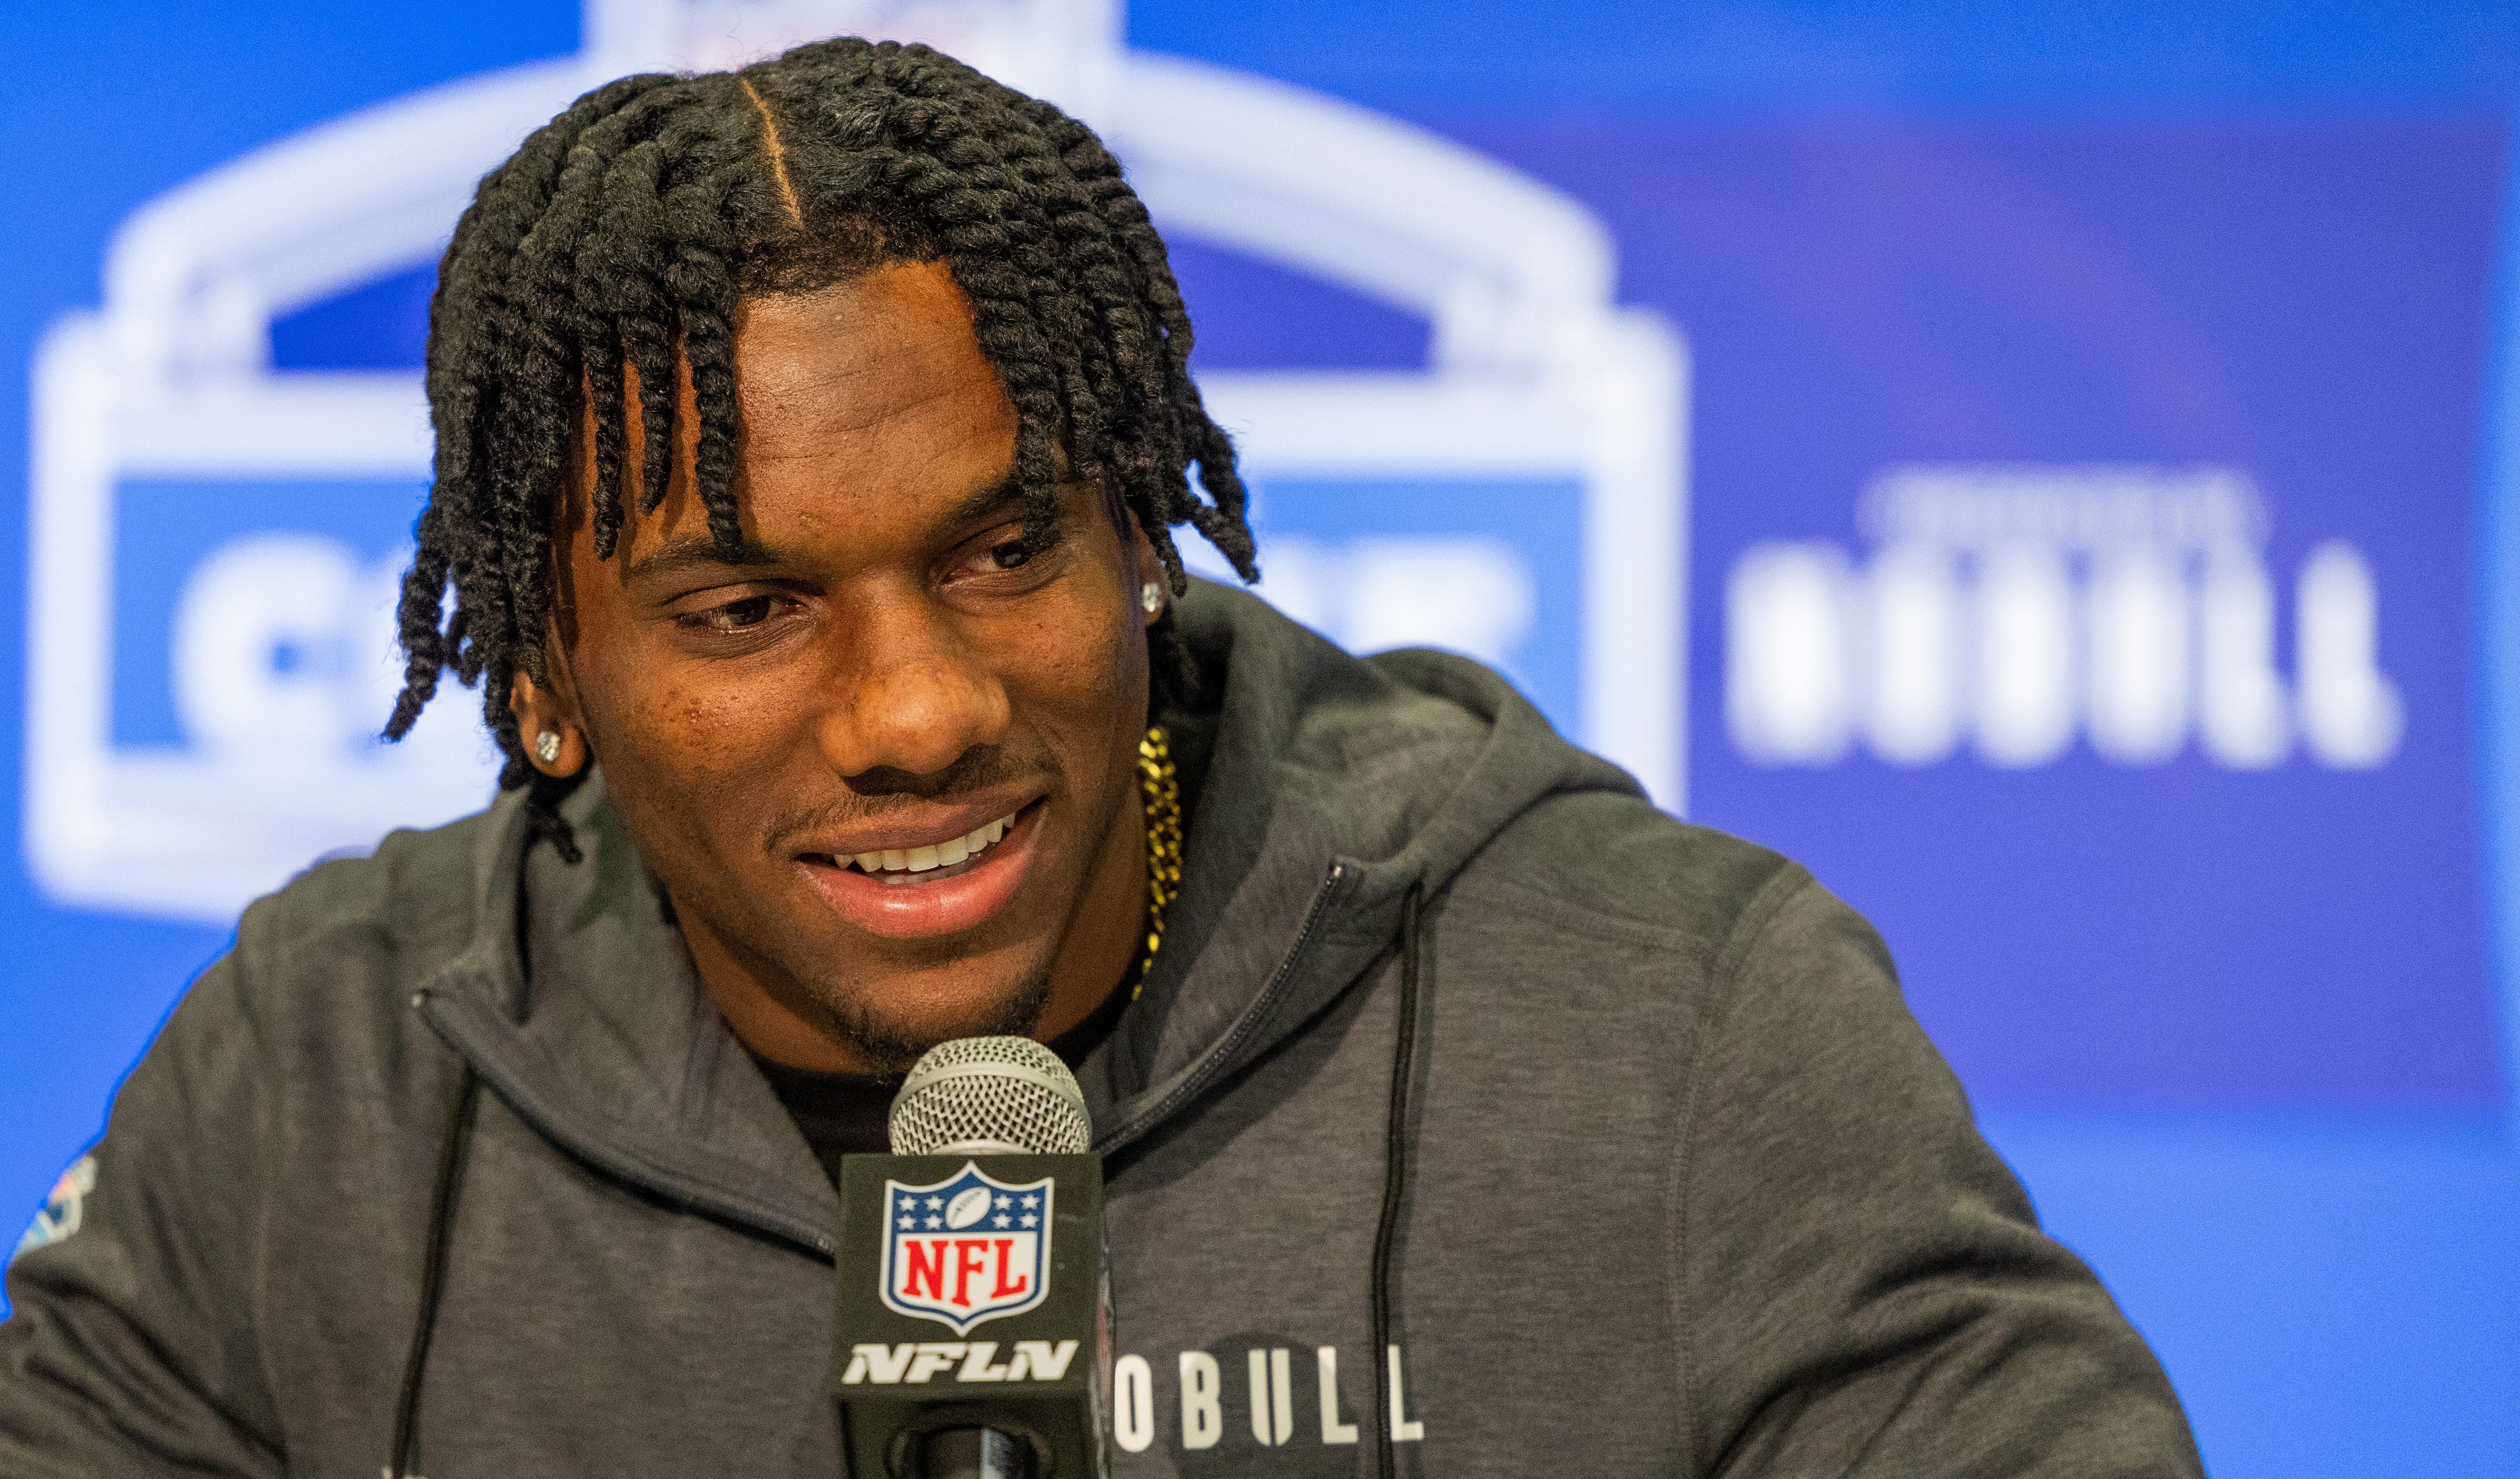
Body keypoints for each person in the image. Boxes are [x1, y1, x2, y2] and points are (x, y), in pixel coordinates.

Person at [0, 37, 2202, 1479]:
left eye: (1001, 546)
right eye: (746, 607)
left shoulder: (1669, 1021)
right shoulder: (325, 1076)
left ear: (1138, 534)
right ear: (545, 679)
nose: (920, 708)